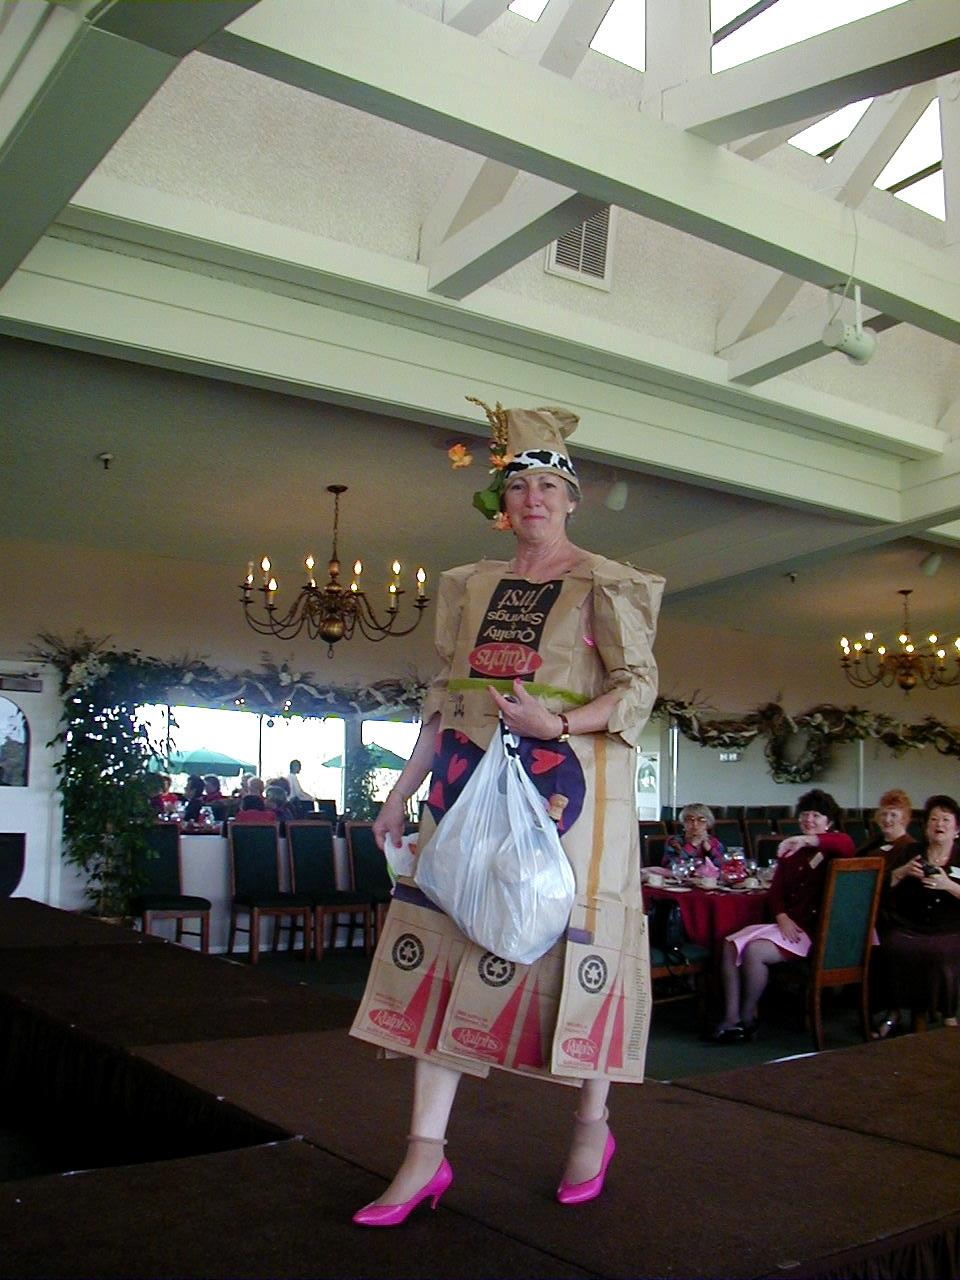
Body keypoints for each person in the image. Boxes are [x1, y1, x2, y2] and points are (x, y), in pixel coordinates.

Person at [349, 399, 663, 1226]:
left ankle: (593, 1123)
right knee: (447, 938)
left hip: (573, 795)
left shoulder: (606, 581)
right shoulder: (471, 588)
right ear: (501, 504)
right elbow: (444, 697)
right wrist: (400, 789)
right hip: (465, 784)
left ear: (571, 500)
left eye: (548, 486)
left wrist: (557, 722)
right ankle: (423, 1156)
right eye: (518, 485)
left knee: (577, 944)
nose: (533, 499)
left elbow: (637, 690)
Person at [711, 789, 855, 1044]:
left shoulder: (832, 848)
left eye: (817, 815)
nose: (809, 820)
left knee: (755, 952)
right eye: (805, 814)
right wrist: (781, 916)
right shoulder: (790, 851)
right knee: (730, 944)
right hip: (788, 925)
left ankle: (748, 1017)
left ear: (828, 822)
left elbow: (847, 843)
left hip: (812, 930)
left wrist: (808, 840)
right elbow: (775, 892)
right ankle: (731, 1019)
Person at [873, 794, 960, 1037]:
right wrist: (902, 872)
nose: (939, 825)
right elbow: (882, 885)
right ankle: (893, 1012)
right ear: (926, 826)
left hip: (949, 928)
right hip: (908, 925)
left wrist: (948, 885)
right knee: (890, 947)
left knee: (941, 954)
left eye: (945, 820)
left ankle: (948, 1015)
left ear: (956, 829)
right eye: (934, 819)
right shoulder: (911, 851)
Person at [661, 804, 725, 875]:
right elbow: (670, 867)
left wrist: (710, 850)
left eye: (701, 820)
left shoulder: (714, 842)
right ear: (683, 823)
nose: (695, 824)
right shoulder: (674, 841)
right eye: (690, 820)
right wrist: (691, 846)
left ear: (708, 823)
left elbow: (722, 867)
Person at [857, 789, 914, 868]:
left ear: (904, 819)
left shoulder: (910, 849)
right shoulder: (872, 842)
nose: (887, 820)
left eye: (893, 815)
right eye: (884, 814)